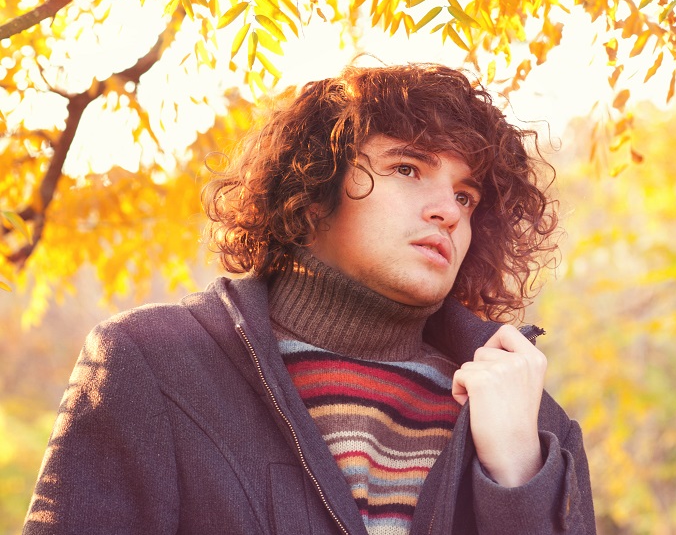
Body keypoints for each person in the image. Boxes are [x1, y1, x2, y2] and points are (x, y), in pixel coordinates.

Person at [24, 63, 595, 534]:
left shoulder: (535, 424)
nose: (448, 210)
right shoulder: (149, 361)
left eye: (466, 197)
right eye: (407, 167)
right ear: (314, 186)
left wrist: (518, 474)